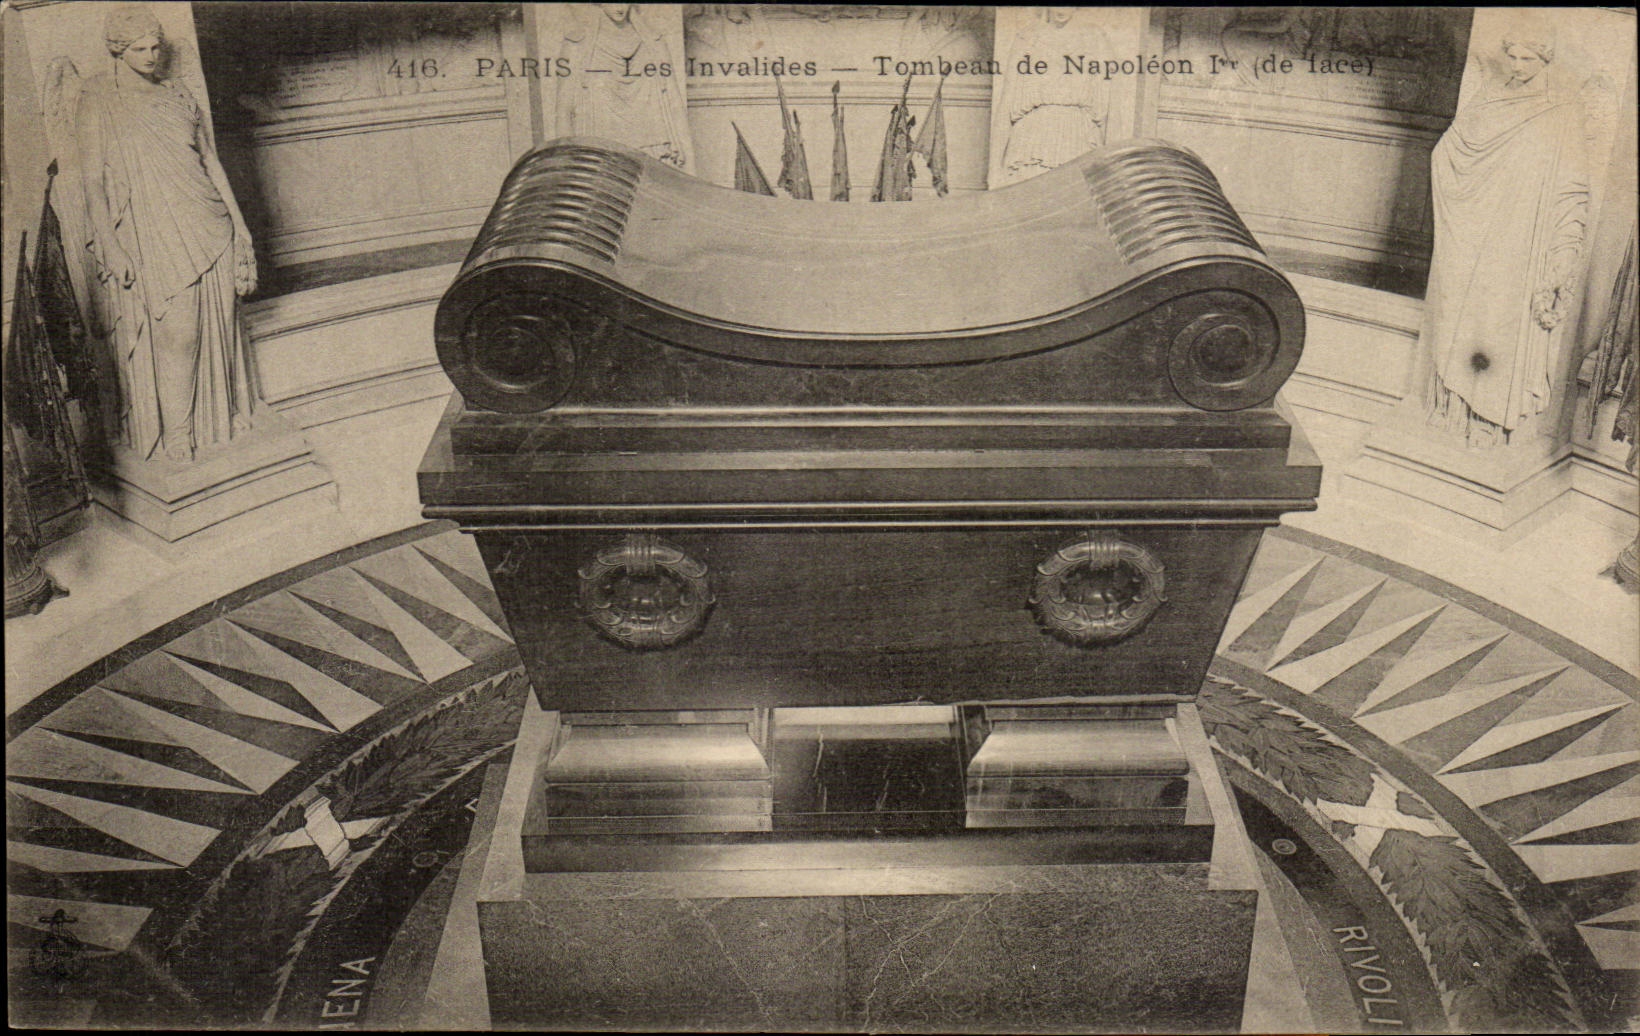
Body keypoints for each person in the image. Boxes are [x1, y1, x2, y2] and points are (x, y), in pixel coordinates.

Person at [76, 4, 258, 463]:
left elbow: (211, 163)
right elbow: (92, 181)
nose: (152, 55)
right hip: (154, 230)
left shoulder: (178, 95)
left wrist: (241, 227)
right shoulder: (99, 99)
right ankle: (176, 430)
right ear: (118, 50)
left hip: (207, 219)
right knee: (179, 333)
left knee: (221, 325)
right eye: (140, 48)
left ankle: (220, 416)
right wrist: (111, 244)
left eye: (157, 46)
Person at [1423, 26, 1590, 447]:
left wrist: (1564, 246)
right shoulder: (1490, 98)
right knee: (1464, 315)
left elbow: (1573, 185)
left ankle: (1490, 418)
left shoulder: (1560, 111)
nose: (1518, 67)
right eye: (1512, 57)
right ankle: (1456, 406)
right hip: (1476, 229)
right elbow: (1452, 151)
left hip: (1521, 239)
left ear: (1545, 61)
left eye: (1527, 59)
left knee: (1502, 323)